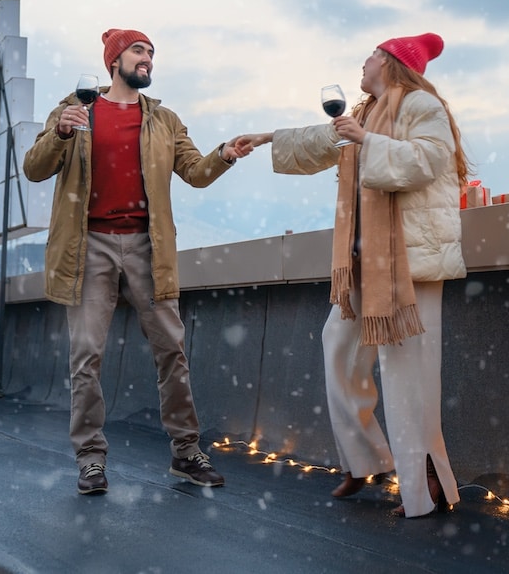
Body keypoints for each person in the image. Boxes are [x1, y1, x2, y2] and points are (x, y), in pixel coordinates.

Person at [243, 32, 468, 517]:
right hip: (367, 261)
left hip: (410, 261)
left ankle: (426, 485)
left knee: (409, 377)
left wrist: (368, 141)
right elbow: (320, 141)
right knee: (340, 348)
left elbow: (429, 161)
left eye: (369, 57)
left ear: (389, 63)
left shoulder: (421, 106)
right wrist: (266, 139)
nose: (361, 65)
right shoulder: (365, 113)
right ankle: (367, 458)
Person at [23, 28, 254, 495]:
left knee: (172, 351)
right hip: (89, 247)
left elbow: (195, 173)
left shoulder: (165, 120)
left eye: (151, 52)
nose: (147, 58)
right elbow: (34, 168)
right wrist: (61, 132)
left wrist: (225, 155)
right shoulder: (76, 108)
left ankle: (186, 452)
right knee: (86, 356)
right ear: (115, 61)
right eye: (138, 51)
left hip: (149, 249)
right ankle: (90, 459)